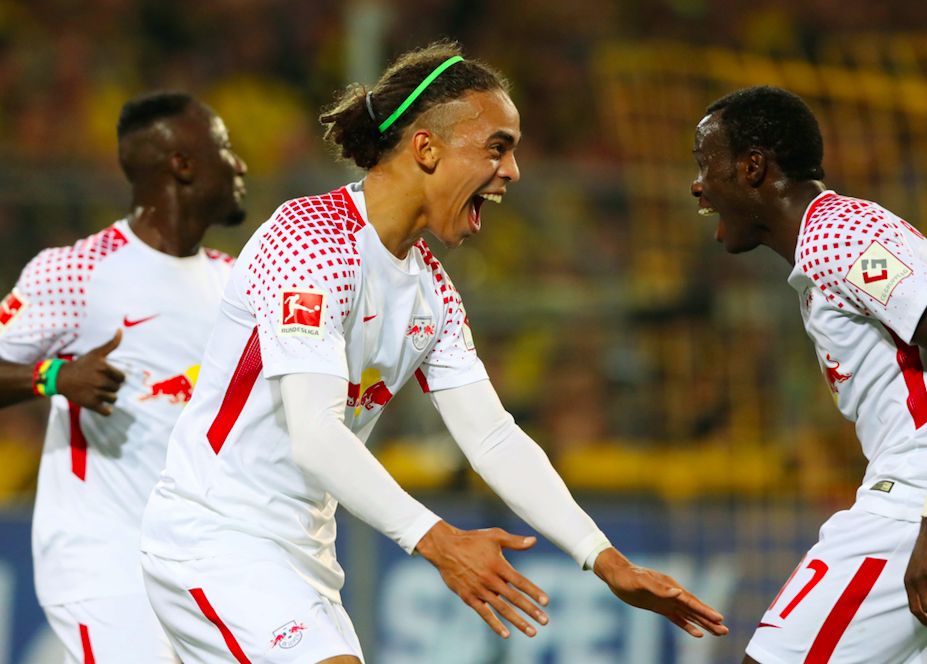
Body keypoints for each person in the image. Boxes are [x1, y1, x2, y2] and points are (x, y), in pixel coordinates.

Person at [139, 42, 727, 664]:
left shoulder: (431, 290)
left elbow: (492, 437)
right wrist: (438, 540)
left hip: (300, 555)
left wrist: (604, 559)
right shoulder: (309, 241)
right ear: (426, 149)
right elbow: (315, 433)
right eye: (497, 147)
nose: (513, 171)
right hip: (216, 536)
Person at [0, 91, 248, 663]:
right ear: (182, 163)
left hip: (203, 560)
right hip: (106, 561)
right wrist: (54, 377)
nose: (239, 163)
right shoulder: (76, 272)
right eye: (223, 146)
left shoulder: (236, 283)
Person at [691, 85, 927, 663]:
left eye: (704, 164)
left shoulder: (841, 237)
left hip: (907, 507)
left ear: (752, 168)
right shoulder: (829, 245)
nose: (697, 185)